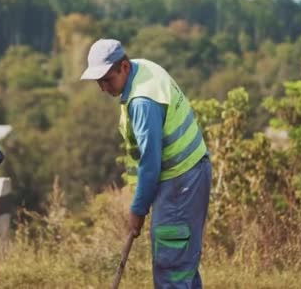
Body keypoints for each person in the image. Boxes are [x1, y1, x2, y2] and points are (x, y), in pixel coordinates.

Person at [80, 39, 212, 288]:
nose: (102, 88)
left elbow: (150, 163)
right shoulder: (143, 69)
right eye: (99, 81)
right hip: (187, 174)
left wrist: (138, 209)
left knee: (172, 263)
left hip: (181, 181)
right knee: (181, 264)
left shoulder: (142, 101)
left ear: (125, 67)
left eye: (107, 79)